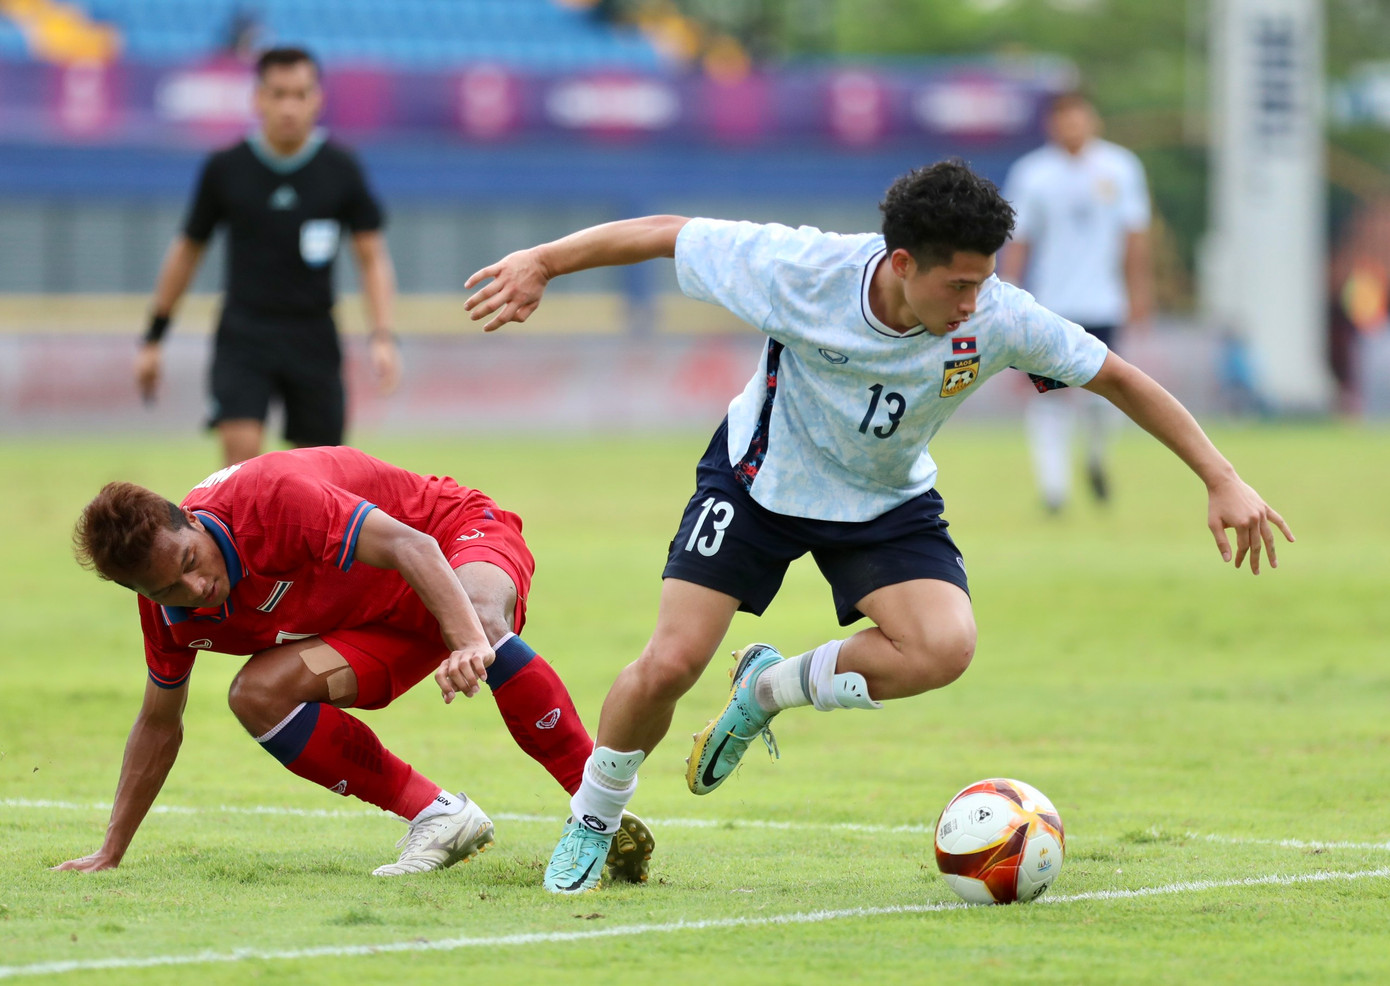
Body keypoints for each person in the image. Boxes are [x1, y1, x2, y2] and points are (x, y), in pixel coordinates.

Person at [461, 159, 1293, 894]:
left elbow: (1118, 378)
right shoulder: (802, 270)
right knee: (671, 663)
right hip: (758, 482)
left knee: (943, 647)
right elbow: (665, 232)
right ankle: (595, 819)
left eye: (982, 283)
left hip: (884, 501)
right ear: (901, 263)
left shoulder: (999, 316)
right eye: (957, 285)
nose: (972, 303)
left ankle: (767, 690)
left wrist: (1221, 477)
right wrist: (544, 261)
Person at [58, 446, 654, 880]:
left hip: (451, 537)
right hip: (379, 623)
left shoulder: (270, 499)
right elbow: (159, 722)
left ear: (191, 519)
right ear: (140, 592)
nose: (195, 588)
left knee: (482, 621)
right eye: (168, 589)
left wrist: (468, 640)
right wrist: (112, 849)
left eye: (191, 561)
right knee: (255, 695)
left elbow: (413, 545)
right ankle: (439, 817)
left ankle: (597, 817)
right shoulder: (169, 616)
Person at [134, 46, 401, 467]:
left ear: (317, 99)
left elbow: (372, 257)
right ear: (258, 98)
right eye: (278, 94)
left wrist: (382, 336)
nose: (289, 107)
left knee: (321, 472)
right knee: (240, 462)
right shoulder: (226, 168)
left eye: (300, 94)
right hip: (245, 332)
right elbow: (187, 250)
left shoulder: (341, 169)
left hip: (313, 334)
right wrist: (154, 337)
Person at [1000, 91, 1153, 512]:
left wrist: (1139, 293)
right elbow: (1019, 239)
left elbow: (1134, 236)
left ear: (1093, 120)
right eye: (1063, 119)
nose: (1071, 127)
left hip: (1103, 303)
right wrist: (1009, 289)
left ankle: (1096, 458)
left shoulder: (1120, 167)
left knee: (1105, 396)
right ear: (1052, 125)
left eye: (1078, 118)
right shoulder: (1033, 173)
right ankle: (1054, 491)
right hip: (1052, 305)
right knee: (1049, 395)